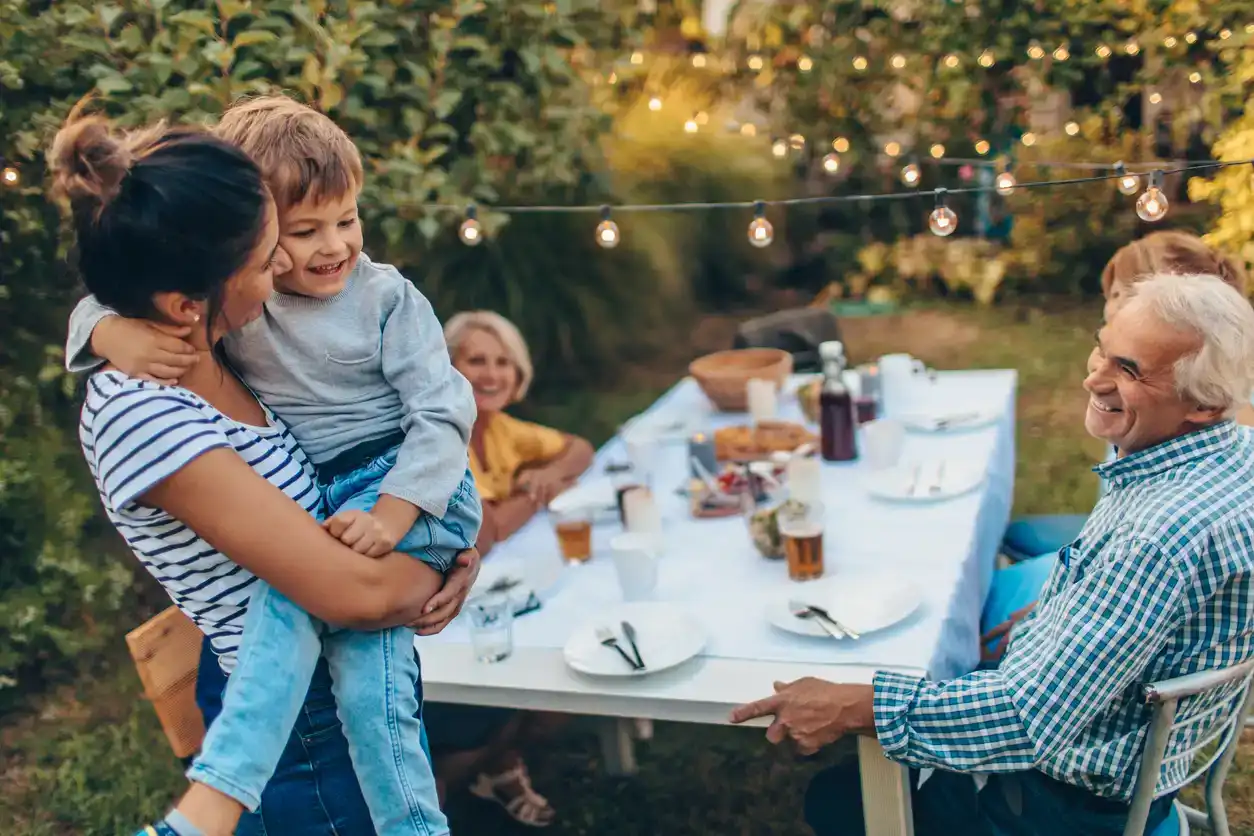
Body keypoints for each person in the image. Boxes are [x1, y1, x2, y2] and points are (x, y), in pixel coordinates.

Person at [57, 103, 478, 836]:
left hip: (335, 669)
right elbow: (348, 593)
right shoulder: (145, 406)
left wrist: (439, 550)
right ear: (188, 299)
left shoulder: (218, 344)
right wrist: (429, 578)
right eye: (266, 256)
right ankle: (204, 812)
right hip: (297, 721)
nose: (283, 267)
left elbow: (435, 421)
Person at [731, 273, 1254, 835]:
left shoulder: (1160, 535)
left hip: (1066, 807)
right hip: (1136, 749)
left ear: (1203, 404)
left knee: (837, 800)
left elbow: (1024, 720)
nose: (1092, 377)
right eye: (1101, 349)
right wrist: (1059, 616)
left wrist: (853, 706)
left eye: (1127, 370)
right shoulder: (1234, 453)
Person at [985, 231, 1253, 660]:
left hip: (1133, 574)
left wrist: (1056, 615)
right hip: (1114, 562)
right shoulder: (1166, 414)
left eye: (1116, 294)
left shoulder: (1211, 418)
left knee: (974, 601)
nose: (1109, 308)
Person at [422, 311, 595, 827]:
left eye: (503, 363)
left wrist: (547, 473)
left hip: (485, 586)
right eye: (476, 360)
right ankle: (440, 790)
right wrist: (533, 494)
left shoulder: (497, 428)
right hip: (433, 608)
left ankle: (497, 761)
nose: (491, 374)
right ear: (447, 366)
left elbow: (579, 449)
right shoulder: (443, 432)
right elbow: (485, 530)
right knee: (540, 680)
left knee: (562, 658)